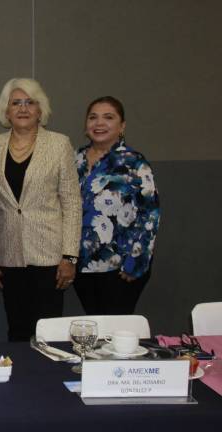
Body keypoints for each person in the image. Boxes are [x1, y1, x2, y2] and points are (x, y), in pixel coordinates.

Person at [0, 78, 82, 342]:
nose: (23, 108)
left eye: (30, 102)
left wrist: (70, 256)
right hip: (9, 255)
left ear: (41, 110)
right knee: (17, 329)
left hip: (50, 257)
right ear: (6, 111)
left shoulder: (59, 144)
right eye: (16, 103)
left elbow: (72, 202)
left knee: (48, 333)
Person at [75, 96, 160, 314]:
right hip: (83, 265)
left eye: (108, 117)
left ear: (122, 126)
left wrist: (136, 261)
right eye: (93, 117)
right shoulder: (74, 159)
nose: (99, 123)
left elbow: (150, 214)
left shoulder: (134, 162)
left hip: (120, 266)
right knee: (95, 328)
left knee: (115, 332)